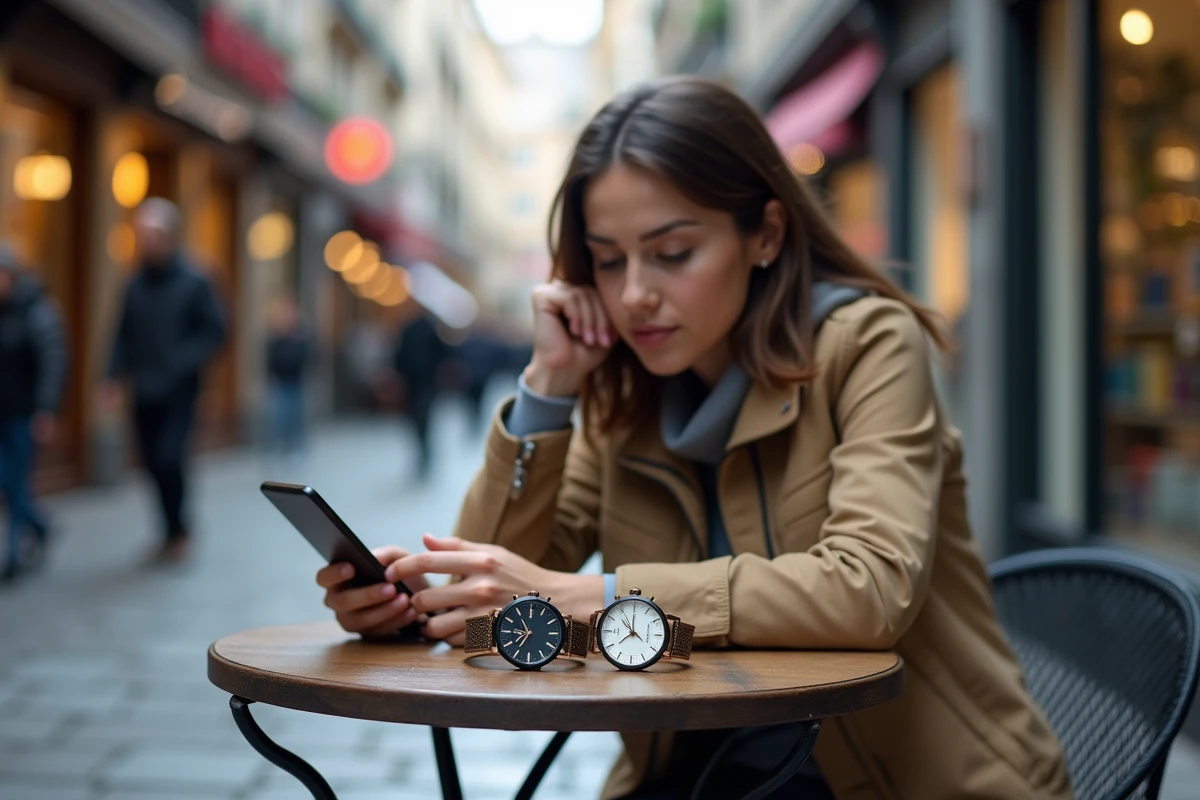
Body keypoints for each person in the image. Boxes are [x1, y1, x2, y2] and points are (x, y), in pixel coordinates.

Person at [314, 77, 1072, 799]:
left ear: (766, 233)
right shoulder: (627, 399)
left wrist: (603, 597)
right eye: (608, 261)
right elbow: (505, 608)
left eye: (672, 253)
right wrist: (547, 390)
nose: (635, 292)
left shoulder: (867, 343)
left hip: (901, 782)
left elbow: (869, 589)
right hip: (695, 775)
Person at [103, 198, 226, 564]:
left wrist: (182, 362)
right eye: (142, 235)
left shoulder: (196, 280)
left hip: (180, 391)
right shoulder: (134, 284)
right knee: (152, 462)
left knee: (171, 458)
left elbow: (216, 330)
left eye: (153, 235)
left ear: (170, 237)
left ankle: (180, 530)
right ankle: (168, 530)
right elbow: (120, 334)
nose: (147, 242)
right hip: (144, 389)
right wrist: (110, 376)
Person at [0, 244, 65, 581]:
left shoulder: (37, 312)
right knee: (7, 483)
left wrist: (46, 409)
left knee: (16, 482)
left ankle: (12, 559)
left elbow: (52, 364)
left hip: (24, 414)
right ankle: (40, 525)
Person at [391, 308, 450, 482]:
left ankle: (423, 451)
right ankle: (425, 452)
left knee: (418, 417)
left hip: (414, 381)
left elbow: (399, 354)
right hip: (425, 381)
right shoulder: (431, 329)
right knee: (423, 417)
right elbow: (444, 353)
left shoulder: (410, 329)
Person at [264, 294, 310, 459]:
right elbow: (270, 357)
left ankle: (296, 447)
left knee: (296, 416)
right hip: (280, 381)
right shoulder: (276, 335)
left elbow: (307, 356)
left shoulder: (300, 334)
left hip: (296, 380)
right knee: (278, 416)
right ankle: (276, 448)